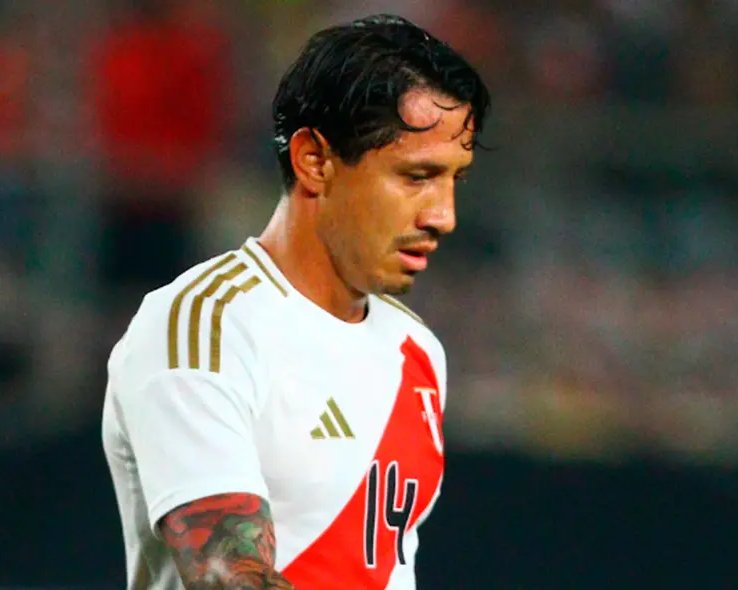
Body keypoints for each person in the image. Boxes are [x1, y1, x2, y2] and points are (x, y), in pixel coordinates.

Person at [102, 13, 491, 589]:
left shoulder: (419, 352)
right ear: (314, 160)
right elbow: (228, 578)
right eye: (416, 177)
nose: (443, 217)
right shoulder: (202, 328)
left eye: (453, 180)